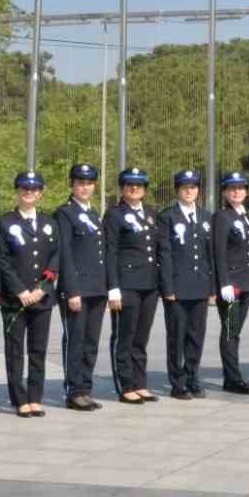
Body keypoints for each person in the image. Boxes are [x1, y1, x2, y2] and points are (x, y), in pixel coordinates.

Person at [0, 170, 58, 418]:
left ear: (41, 193)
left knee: (38, 349)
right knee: (14, 350)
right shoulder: (5, 222)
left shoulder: (49, 223)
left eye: (34, 189)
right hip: (15, 299)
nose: (29, 192)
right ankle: (19, 398)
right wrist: (20, 290)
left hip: (41, 298)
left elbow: (56, 257)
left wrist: (42, 288)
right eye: (24, 188)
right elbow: (1, 259)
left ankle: (35, 397)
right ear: (17, 190)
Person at [104, 166, 160, 405]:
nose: (134, 188)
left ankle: (140, 381)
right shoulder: (114, 214)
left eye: (138, 184)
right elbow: (110, 251)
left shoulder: (150, 212)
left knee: (141, 336)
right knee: (124, 335)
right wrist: (113, 287)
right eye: (129, 184)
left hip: (149, 283)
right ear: (122, 188)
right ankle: (125, 384)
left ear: (145, 189)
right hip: (126, 283)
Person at [54, 163, 107, 412]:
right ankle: (73, 391)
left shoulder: (94, 213)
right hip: (77, 289)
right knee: (74, 340)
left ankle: (85, 387)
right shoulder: (64, 213)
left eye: (89, 183)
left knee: (90, 342)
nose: (85, 187)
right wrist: (71, 290)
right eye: (80, 183)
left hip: (96, 288)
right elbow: (64, 254)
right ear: (72, 185)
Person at [157, 170, 214, 399]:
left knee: (196, 336)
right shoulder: (167, 217)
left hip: (200, 286)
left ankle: (192, 377)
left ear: (198, 190)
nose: (189, 191)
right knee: (177, 337)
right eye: (184, 187)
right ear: (177, 190)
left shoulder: (206, 217)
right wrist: (168, 287)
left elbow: (210, 254)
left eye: (193, 187)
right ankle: (177, 382)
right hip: (178, 289)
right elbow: (165, 255)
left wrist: (212, 287)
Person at [212, 171, 249, 394]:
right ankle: (232, 378)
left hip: (245, 284)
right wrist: (224, 282)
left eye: (240, 188)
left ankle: (233, 375)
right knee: (231, 330)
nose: (236, 192)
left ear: (246, 192)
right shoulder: (222, 217)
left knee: (235, 331)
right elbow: (219, 252)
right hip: (232, 285)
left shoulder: (243, 215)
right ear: (224, 192)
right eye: (232, 189)